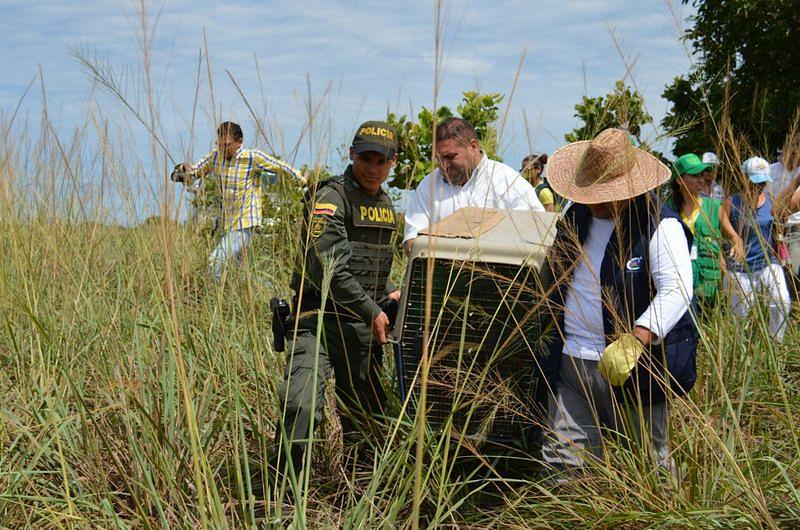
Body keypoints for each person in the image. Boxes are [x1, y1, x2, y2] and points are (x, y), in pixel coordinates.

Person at [540, 128, 697, 480]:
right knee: (564, 462)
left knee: (647, 464)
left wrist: (638, 336)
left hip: (633, 368)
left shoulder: (660, 224)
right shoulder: (575, 217)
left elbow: (677, 289)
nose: (598, 200)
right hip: (571, 364)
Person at [276, 121, 400, 479]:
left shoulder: (385, 203)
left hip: (360, 326)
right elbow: (325, 265)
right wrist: (372, 309)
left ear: (392, 163)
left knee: (366, 415)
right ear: (351, 154)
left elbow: (366, 263)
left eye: (383, 161)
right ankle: (285, 494)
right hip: (317, 319)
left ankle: (360, 490)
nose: (374, 168)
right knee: (299, 403)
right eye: (367, 159)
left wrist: (388, 288)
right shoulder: (331, 197)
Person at [173, 121, 304, 281]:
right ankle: (267, 293)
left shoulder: (252, 158)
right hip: (225, 224)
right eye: (219, 144)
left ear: (239, 142)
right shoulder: (214, 157)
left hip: (244, 223)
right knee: (239, 274)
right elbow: (195, 171)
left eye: (226, 145)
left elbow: (281, 167)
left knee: (215, 263)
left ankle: (218, 301)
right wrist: (183, 169)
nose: (222, 149)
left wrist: (303, 181)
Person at [403, 117, 544, 248]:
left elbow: (537, 234)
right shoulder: (428, 186)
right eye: (438, 159)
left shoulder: (508, 181)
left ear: (473, 147)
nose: (443, 165)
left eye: (450, 157)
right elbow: (411, 242)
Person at [723, 156, 791, 341]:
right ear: (744, 177)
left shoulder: (770, 200)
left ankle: (776, 342)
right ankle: (742, 347)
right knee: (741, 313)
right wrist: (735, 237)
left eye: (762, 182)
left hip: (767, 262)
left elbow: (778, 223)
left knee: (781, 301)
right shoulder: (733, 201)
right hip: (740, 267)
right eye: (755, 181)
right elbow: (722, 219)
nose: (758, 186)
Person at [668, 153, 739, 311]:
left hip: (709, 286)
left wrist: (737, 245)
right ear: (679, 180)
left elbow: (734, 236)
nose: (701, 179)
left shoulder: (714, 208)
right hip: (677, 286)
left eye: (701, 174)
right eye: (694, 175)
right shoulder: (666, 210)